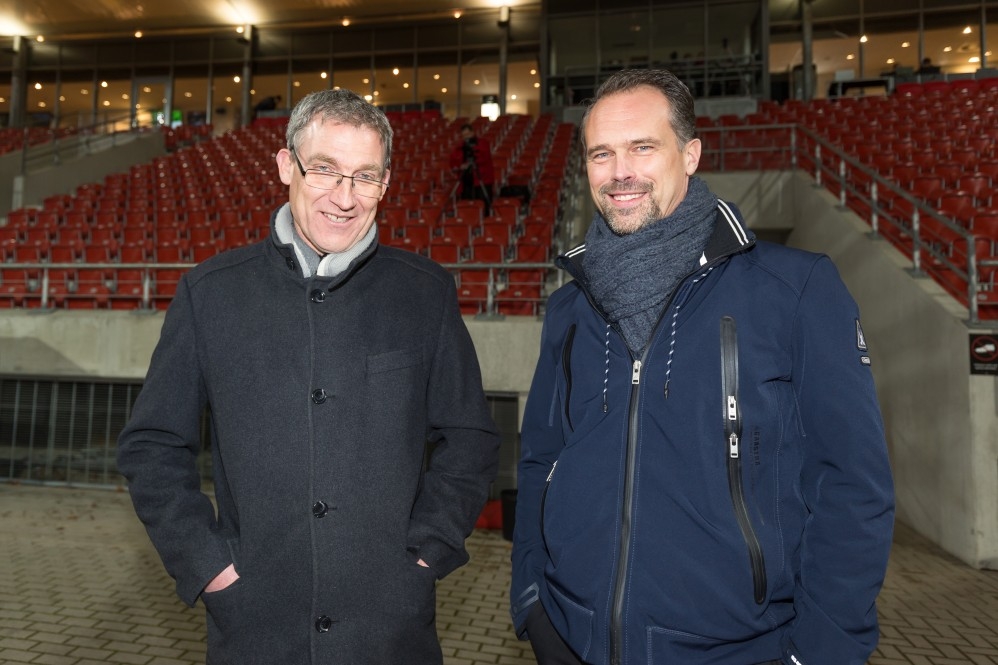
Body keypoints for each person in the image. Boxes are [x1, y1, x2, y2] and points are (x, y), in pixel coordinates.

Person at [509, 68, 895, 665]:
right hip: (569, 637)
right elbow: (541, 459)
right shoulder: (569, 307)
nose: (619, 172)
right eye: (601, 154)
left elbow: (851, 486)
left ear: (690, 155)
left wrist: (821, 651)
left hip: (743, 650)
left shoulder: (796, 290)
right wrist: (533, 601)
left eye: (643, 147)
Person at [117, 88, 500, 665]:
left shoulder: (426, 293)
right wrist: (209, 567)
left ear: (385, 183)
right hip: (254, 629)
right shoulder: (209, 293)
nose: (344, 198)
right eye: (324, 169)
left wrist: (426, 553)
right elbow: (152, 445)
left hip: (390, 633)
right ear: (285, 165)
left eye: (365, 177)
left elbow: (469, 439)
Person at [450, 122, 495, 214]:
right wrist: (461, 166)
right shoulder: (460, 147)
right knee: (467, 206)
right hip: (466, 180)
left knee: (483, 205)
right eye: (464, 135)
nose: (466, 137)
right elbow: (453, 160)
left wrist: (472, 161)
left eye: (468, 134)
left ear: (472, 132)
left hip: (482, 179)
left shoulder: (483, 143)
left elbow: (484, 157)